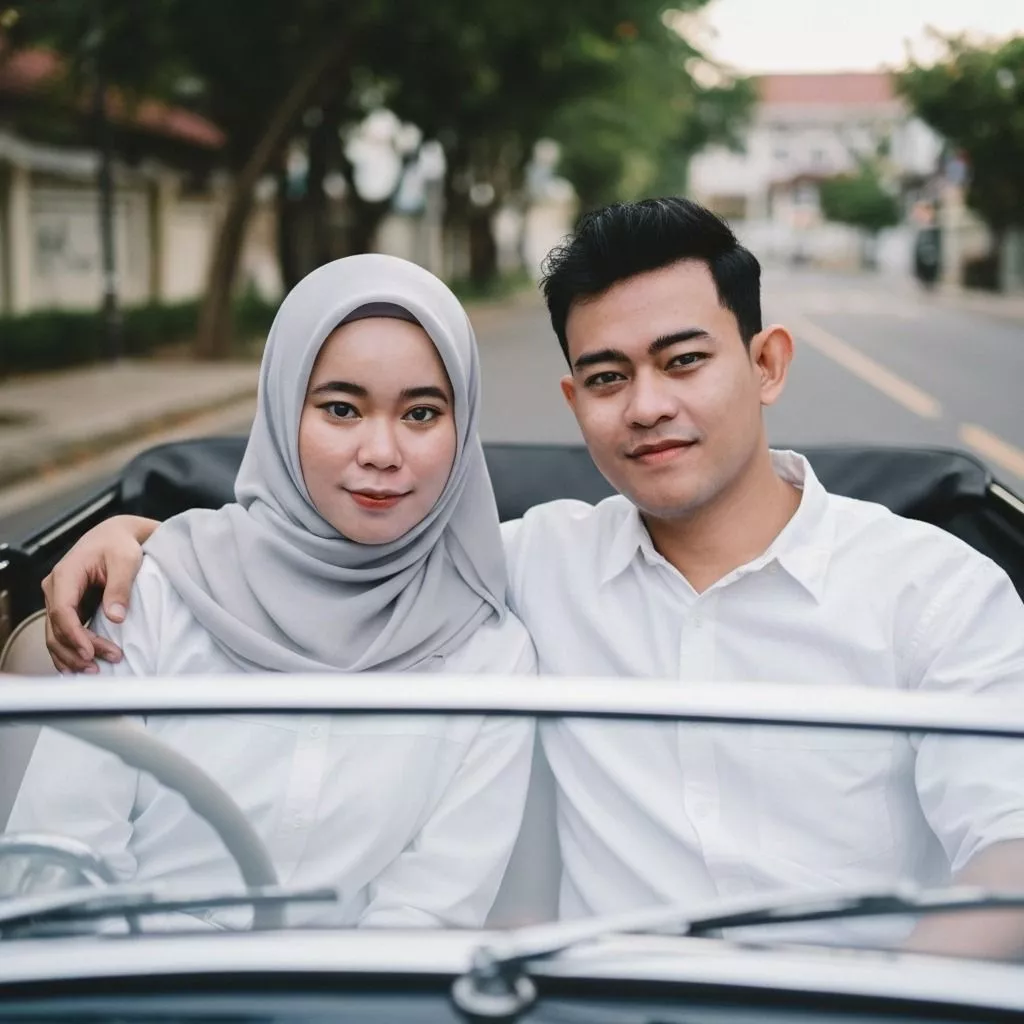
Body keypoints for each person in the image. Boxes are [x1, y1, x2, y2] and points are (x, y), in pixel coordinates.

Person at [40, 200, 1024, 956]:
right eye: (607, 378)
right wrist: (150, 543)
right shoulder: (524, 565)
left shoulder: (932, 590)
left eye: (683, 361)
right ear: (573, 397)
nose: (646, 406)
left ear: (765, 363)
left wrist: (900, 999)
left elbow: (1011, 849)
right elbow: (339, 553)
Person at [5, 253, 536, 931]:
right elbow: (62, 864)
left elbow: (427, 913)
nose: (381, 451)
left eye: (422, 413)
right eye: (341, 408)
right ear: (284, 411)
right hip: (126, 976)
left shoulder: (491, 655)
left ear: (463, 432)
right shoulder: (151, 594)